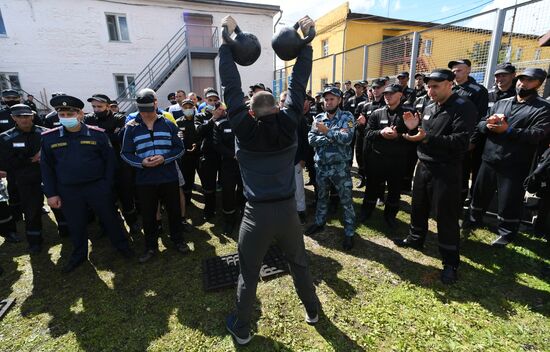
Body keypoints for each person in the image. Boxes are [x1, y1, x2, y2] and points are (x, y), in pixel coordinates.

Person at [220, 15, 320, 346]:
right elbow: (298, 85)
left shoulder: (243, 129)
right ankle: (314, 311)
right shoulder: (290, 123)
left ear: (250, 112)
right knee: (299, 264)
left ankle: (242, 327)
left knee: (249, 274)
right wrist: (305, 45)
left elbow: (231, 88)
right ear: (278, 108)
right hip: (288, 210)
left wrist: (225, 46)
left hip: (257, 214)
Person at [393, 69, 477, 284]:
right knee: (418, 206)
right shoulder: (429, 105)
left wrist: (427, 138)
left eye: (436, 86)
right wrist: (414, 130)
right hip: (424, 165)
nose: (430, 90)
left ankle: (450, 262)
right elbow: (422, 133)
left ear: (450, 84)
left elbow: (460, 141)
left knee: (446, 216)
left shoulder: (463, 107)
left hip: (446, 169)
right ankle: (416, 238)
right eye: (429, 86)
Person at [40, 95, 133, 273]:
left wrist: (106, 185)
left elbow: (110, 162)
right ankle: (79, 254)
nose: (66, 117)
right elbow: (46, 168)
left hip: (96, 186)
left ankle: (123, 247)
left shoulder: (97, 134)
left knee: (110, 219)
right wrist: (51, 194)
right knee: (76, 224)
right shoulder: (49, 138)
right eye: (62, 114)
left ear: (80, 114)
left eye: (70, 113)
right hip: (68, 190)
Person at [465, 68, 550, 247]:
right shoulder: (502, 103)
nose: (522, 83)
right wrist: (487, 125)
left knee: (509, 200)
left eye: (528, 80)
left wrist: (508, 130)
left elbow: (537, 134)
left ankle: (507, 232)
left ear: (539, 84)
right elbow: (481, 123)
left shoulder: (543, 108)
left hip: (515, 162)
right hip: (489, 157)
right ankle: (473, 219)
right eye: (521, 79)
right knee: (480, 193)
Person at [120, 88, 190, 263]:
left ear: (156, 105)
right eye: (142, 110)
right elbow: (125, 153)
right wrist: (141, 163)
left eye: (149, 110)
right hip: (145, 179)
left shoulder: (168, 124)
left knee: (174, 211)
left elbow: (180, 148)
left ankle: (178, 240)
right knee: (149, 214)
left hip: (168, 176)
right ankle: (151, 246)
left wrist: (164, 158)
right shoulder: (131, 128)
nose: (146, 114)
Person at [306, 86, 356, 250]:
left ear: (339, 100)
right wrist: (332, 136)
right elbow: (312, 140)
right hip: (321, 166)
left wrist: (326, 132)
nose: (328, 102)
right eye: (326, 99)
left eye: (332, 99)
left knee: (346, 200)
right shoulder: (318, 118)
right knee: (321, 197)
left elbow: (347, 138)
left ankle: (349, 232)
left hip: (340, 168)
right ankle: (320, 222)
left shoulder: (347, 117)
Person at [84, 94, 140, 234]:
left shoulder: (119, 118)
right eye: (94, 106)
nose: (96, 109)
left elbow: (119, 137)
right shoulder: (89, 118)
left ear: (108, 106)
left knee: (126, 196)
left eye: (100, 106)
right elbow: (88, 138)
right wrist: (108, 135)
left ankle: (132, 222)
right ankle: (107, 226)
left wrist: (98, 136)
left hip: (120, 165)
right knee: (105, 198)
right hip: (99, 166)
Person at [361, 84, 416, 227]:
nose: (387, 96)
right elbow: (368, 133)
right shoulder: (377, 113)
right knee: (372, 187)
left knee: (394, 190)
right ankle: (366, 211)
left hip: (397, 160)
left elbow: (413, 137)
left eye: (391, 93)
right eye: (385, 94)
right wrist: (381, 133)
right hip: (377, 159)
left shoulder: (407, 114)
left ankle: (390, 216)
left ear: (400, 95)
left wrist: (399, 135)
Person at [0, 104, 46, 253]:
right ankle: (35, 241)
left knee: (60, 206)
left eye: (27, 116)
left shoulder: (44, 133)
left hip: (47, 175)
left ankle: (66, 232)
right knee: (31, 211)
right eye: (19, 116)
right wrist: (30, 160)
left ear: (32, 116)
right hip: (25, 178)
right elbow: (7, 162)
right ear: (13, 117)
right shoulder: (5, 138)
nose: (24, 119)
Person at [448, 59, 488, 202]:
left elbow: (481, 117)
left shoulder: (478, 91)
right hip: (449, 137)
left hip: (466, 138)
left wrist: (473, 140)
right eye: (453, 71)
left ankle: (460, 199)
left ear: (469, 70)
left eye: (459, 70)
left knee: (463, 170)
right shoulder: (449, 88)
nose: (455, 73)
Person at [212, 103, 245, 235]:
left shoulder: (245, 122)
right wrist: (233, 155)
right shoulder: (220, 124)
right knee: (228, 191)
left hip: (244, 163)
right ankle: (229, 219)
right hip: (228, 164)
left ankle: (244, 215)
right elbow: (217, 144)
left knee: (244, 189)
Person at [194, 88, 224, 221]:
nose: (212, 102)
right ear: (205, 101)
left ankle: (225, 207)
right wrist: (213, 118)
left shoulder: (224, 114)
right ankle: (209, 210)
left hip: (223, 156)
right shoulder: (200, 116)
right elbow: (199, 132)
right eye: (210, 100)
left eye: (215, 100)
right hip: (207, 155)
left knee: (225, 184)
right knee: (208, 186)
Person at [175, 99, 200, 205]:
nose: (188, 109)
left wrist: (197, 144)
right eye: (185, 107)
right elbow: (176, 139)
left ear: (194, 108)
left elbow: (203, 135)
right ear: (182, 108)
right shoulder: (178, 121)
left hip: (199, 154)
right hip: (185, 156)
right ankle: (187, 200)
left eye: (190, 107)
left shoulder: (198, 120)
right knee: (187, 179)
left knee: (204, 178)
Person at [345, 81, 368, 188]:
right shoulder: (350, 100)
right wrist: (351, 125)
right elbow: (347, 114)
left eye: (359, 87)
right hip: (351, 129)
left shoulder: (365, 101)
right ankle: (347, 170)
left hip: (361, 130)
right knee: (348, 149)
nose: (357, 89)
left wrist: (357, 124)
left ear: (363, 89)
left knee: (359, 152)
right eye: (356, 87)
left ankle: (362, 175)